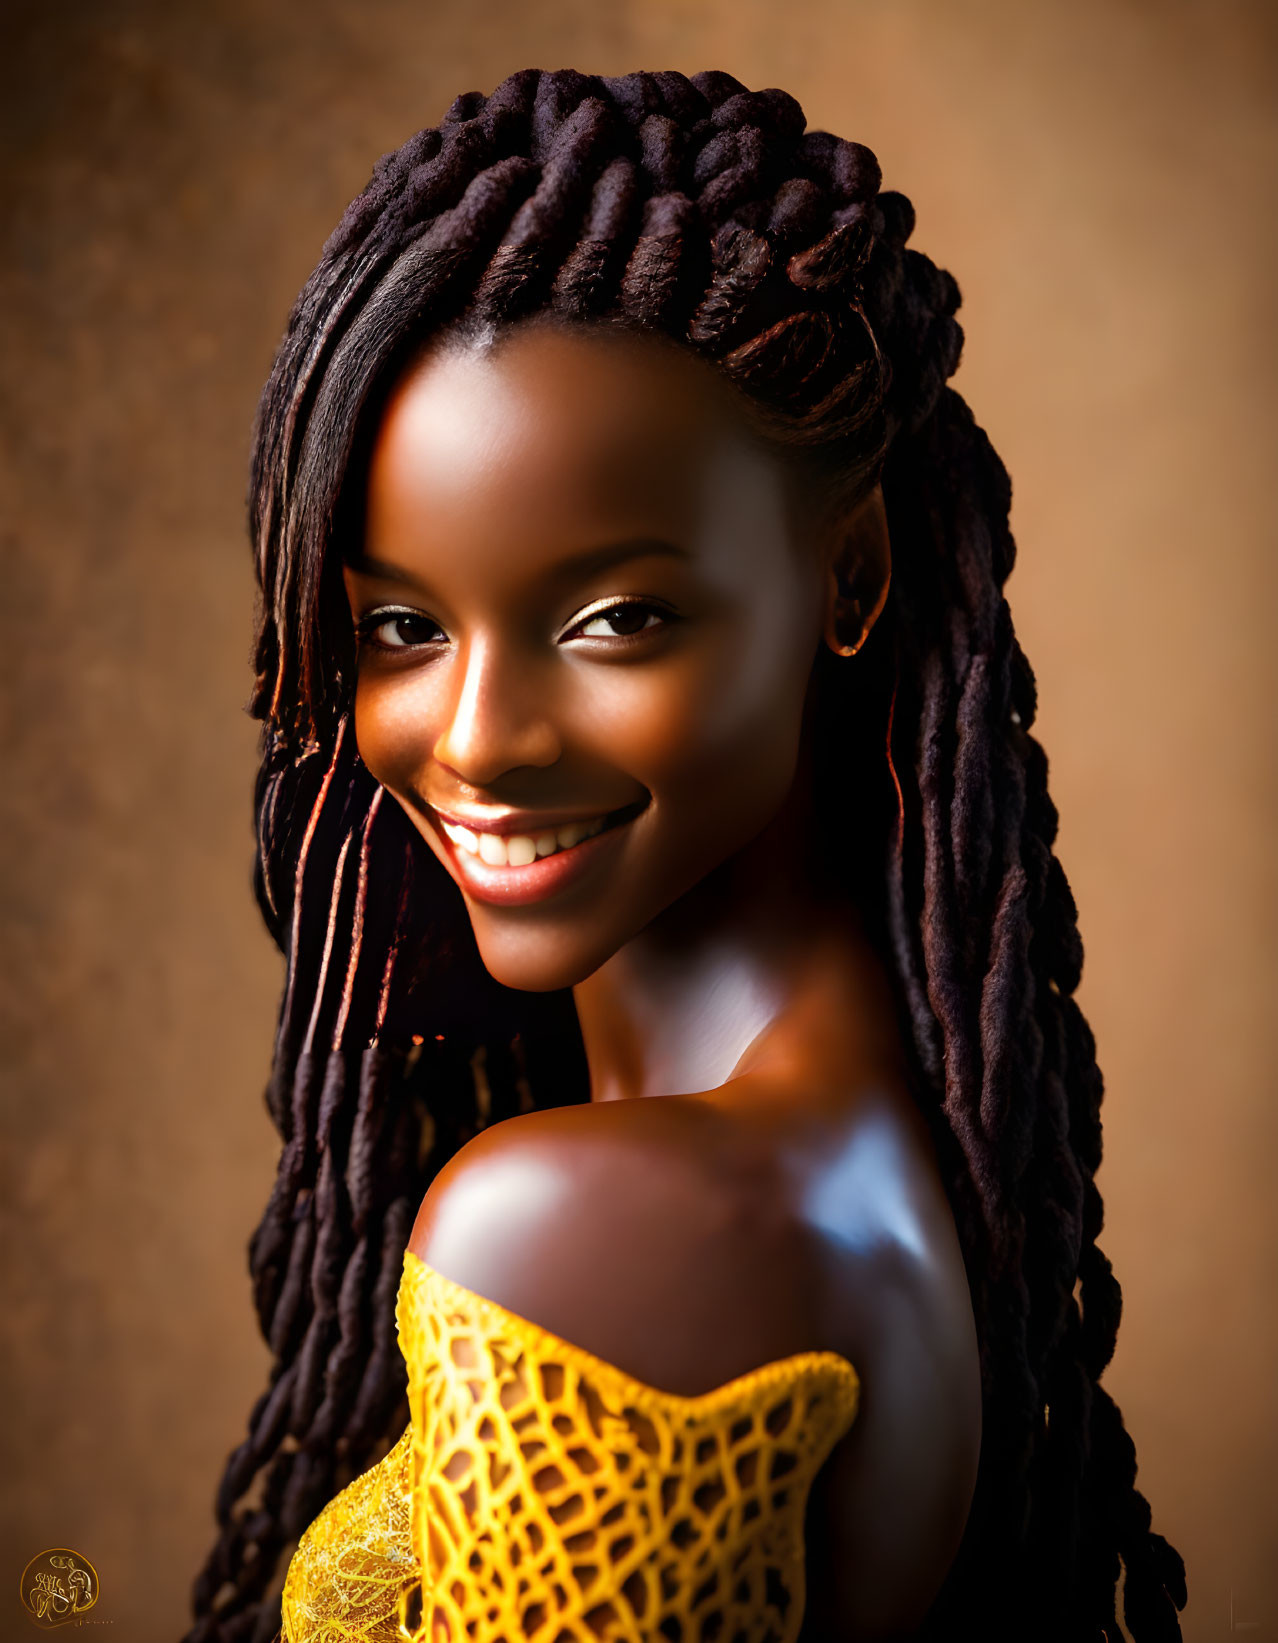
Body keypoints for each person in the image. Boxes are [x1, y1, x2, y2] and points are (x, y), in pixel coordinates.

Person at [183, 68, 1187, 1643]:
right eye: (400, 626)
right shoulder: (861, 1153)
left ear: (847, 575)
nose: (477, 736)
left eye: (613, 620)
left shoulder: (584, 1233)